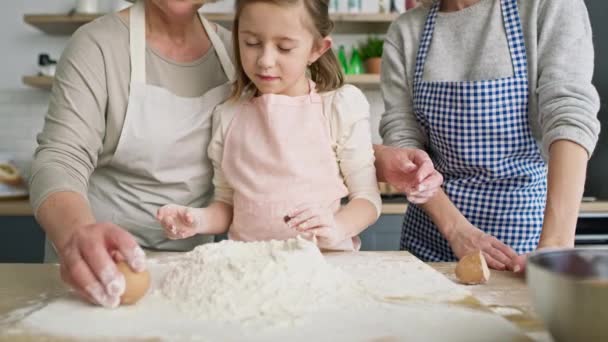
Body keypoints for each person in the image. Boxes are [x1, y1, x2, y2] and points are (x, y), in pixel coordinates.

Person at [29, 0, 235, 308]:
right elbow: (61, 157)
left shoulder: (239, 51)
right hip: (95, 269)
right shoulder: (98, 45)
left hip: (189, 274)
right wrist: (78, 234)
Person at [377, 0, 600, 270]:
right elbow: (402, 139)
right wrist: (456, 230)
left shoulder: (547, 6)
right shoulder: (407, 31)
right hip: (430, 243)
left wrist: (556, 244)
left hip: (525, 247)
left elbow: (569, 115)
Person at [156, 0, 382, 251]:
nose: (265, 60)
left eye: (284, 48)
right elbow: (228, 205)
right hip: (251, 269)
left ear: (317, 49)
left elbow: (368, 200)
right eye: (251, 43)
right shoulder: (229, 114)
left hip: (323, 267)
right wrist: (197, 220)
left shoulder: (340, 107)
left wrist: (337, 227)